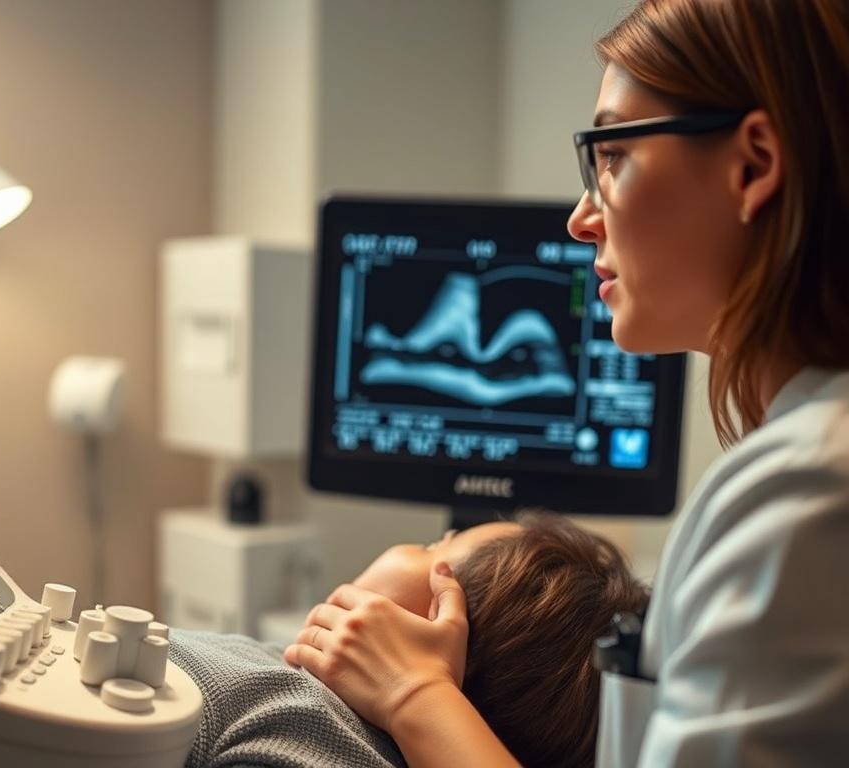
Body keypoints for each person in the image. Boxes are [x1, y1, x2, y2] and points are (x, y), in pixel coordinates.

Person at [283, 1, 849, 766]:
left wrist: (419, 699)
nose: (583, 217)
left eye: (611, 156)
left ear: (752, 166)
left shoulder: (809, 497)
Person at [172, 514, 646, 768]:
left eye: (433, 548)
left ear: (421, 634)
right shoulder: (294, 682)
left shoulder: (320, 733)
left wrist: (414, 689)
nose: (410, 546)